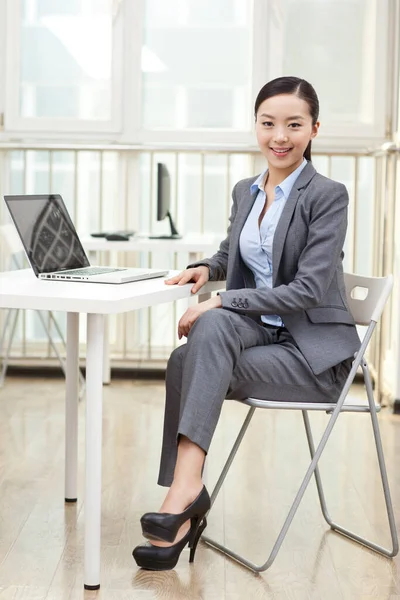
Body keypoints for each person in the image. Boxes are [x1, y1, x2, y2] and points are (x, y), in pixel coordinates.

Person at [132, 76, 360, 571]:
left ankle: (182, 501)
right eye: (268, 123)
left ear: (314, 129)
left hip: (309, 354)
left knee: (188, 353)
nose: (280, 136)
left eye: (294, 125)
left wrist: (220, 300)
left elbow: (308, 290)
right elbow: (235, 251)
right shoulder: (246, 191)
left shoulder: (328, 195)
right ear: (255, 126)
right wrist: (207, 270)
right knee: (198, 343)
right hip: (259, 334)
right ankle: (187, 493)